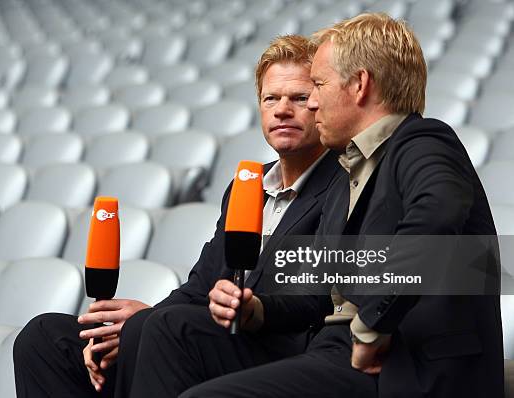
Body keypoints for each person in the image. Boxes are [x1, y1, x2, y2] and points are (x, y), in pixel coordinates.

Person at [129, 13, 504, 398]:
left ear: (359, 86)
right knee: (173, 333)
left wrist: (372, 326)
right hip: (333, 353)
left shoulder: (423, 140)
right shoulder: (350, 172)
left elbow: (434, 222)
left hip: (407, 366)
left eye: (319, 85)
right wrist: (256, 310)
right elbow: (319, 291)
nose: (312, 102)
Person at [13, 34, 342, 398]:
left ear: (322, 103)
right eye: (271, 99)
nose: (282, 110)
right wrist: (137, 321)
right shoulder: (246, 185)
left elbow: (318, 298)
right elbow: (200, 286)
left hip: (278, 352)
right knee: (45, 337)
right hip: (207, 338)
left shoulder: (344, 185)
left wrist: (158, 324)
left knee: (164, 328)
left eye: (298, 98)